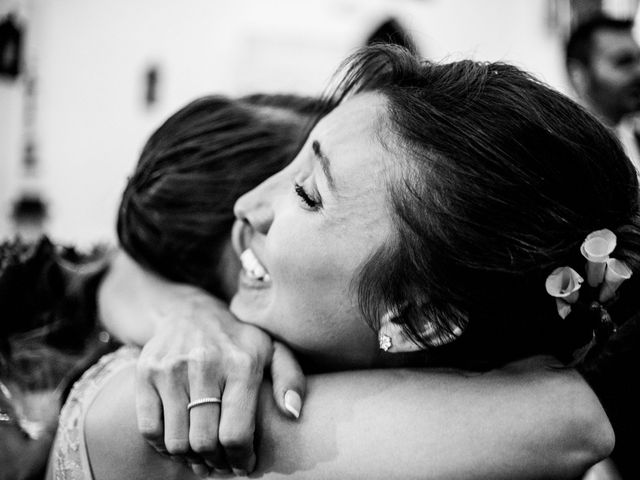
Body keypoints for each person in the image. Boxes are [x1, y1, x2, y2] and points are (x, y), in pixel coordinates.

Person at [46, 44, 637, 479]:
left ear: (421, 319)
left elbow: (569, 420)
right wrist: (190, 310)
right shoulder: (169, 402)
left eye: (306, 191)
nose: (245, 204)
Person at [565, 15, 640, 169]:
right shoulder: (566, 153)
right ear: (578, 75)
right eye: (624, 61)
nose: (638, 71)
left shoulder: (635, 139)